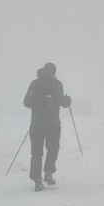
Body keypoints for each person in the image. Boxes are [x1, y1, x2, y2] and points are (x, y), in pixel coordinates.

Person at [22, 62, 72, 191]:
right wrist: (67, 101)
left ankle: (38, 179)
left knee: (37, 153)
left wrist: (39, 104)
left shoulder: (36, 84)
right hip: (52, 124)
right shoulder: (56, 84)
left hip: (38, 124)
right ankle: (48, 172)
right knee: (53, 149)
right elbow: (62, 102)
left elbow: (26, 102)